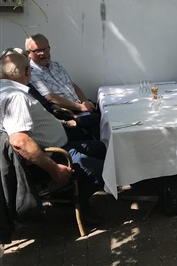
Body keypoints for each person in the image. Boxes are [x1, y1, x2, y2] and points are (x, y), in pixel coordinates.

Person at [0, 51, 106, 224]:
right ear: (27, 71)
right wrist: (54, 169)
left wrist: (64, 124)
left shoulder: (5, 90)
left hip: (59, 146)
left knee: (101, 148)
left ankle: (70, 193)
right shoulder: (16, 97)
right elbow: (19, 141)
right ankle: (73, 204)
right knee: (101, 169)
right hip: (51, 155)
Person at [25, 34, 100, 140]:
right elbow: (50, 97)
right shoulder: (31, 73)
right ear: (28, 53)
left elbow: (73, 85)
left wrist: (85, 102)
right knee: (98, 119)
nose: (43, 53)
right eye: (38, 51)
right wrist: (80, 107)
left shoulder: (56, 65)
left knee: (104, 110)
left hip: (79, 105)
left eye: (46, 49)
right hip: (66, 113)